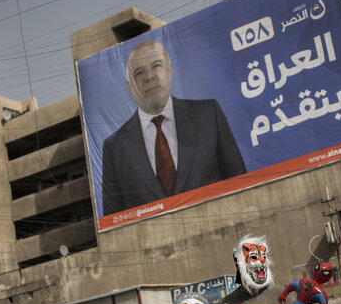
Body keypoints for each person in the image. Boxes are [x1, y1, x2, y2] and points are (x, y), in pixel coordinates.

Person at [101, 40, 246, 216]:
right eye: (139, 73)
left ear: (170, 70)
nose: (149, 76)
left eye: (156, 66)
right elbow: (114, 222)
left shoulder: (209, 114)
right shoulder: (114, 147)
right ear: (130, 86)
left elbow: (242, 184)